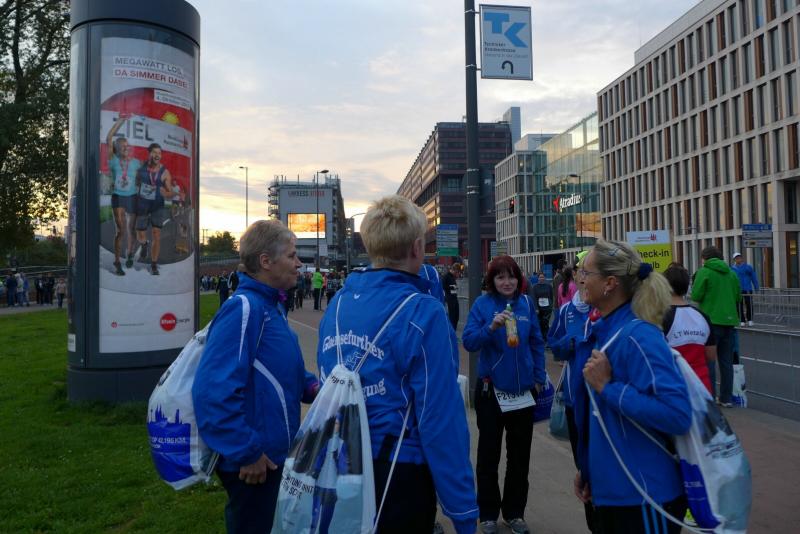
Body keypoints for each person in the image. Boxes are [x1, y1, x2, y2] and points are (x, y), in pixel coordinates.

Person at [316, 195, 478, 534]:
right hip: (399, 471)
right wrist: (462, 509)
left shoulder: (339, 303)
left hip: (341, 459)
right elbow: (439, 417)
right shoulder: (423, 311)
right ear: (417, 248)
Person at [193, 219, 319, 534]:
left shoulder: (270, 307)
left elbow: (278, 370)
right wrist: (246, 452)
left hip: (272, 457)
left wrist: (314, 387)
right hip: (254, 464)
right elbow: (212, 391)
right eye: (291, 255)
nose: (298, 263)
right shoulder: (244, 309)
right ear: (265, 261)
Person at [573, 240, 691, 533]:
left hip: (645, 497)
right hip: (612, 493)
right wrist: (589, 469)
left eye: (586, 272)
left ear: (610, 283)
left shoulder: (639, 335)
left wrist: (608, 387)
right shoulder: (606, 330)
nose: (580, 279)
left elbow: (677, 414)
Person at [463, 255, 546, 534]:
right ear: (492, 280)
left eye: (511, 276)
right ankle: (488, 514)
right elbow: (469, 341)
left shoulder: (526, 304)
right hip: (491, 393)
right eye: (500, 277)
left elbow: (536, 342)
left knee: (519, 457)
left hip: (523, 393)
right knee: (489, 455)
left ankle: (514, 513)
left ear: (519, 279)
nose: (507, 282)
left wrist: (538, 378)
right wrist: (491, 327)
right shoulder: (482, 305)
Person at [546, 255, 593, 532]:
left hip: (602, 404)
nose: (585, 277)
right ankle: (593, 523)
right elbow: (553, 344)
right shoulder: (566, 312)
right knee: (583, 468)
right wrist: (570, 343)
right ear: (574, 275)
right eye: (581, 272)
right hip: (576, 402)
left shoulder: (606, 310)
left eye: (590, 272)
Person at [691, 246, 741, 407]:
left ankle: (710, 397)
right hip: (730, 321)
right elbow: (738, 296)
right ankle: (726, 398)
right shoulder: (731, 273)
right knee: (726, 362)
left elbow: (696, 295)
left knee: (709, 361)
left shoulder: (704, 272)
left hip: (710, 321)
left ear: (705, 258)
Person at [663, 263, 717, 394]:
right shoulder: (703, 317)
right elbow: (711, 356)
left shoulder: (659, 317)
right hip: (702, 388)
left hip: (674, 388)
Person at [106, 113, 142, 275]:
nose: (126, 148)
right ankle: (117, 261)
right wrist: (120, 121)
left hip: (132, 197)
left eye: (127, 146)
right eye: (122, 147)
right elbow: (109, 137)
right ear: (117, 149)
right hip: (118, 197)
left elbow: (143, 177)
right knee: (121, 231)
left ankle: (130, 253)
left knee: (131, 229)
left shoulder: (136, 163)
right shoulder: (113, 160)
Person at [134, 143, 175, 276]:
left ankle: (154, 264)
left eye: (159, 153)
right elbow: (135, 184)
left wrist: (166, 193)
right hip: (143, 205)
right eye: (155, 152)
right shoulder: (141, 169)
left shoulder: (165, 172)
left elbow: (171, 192)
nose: (157, 155)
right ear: (149, 154)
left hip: (157, 206)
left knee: (156, 234)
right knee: (140, 234)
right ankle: (144, 243)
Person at [731, 252, 759, 326]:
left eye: (739, 257)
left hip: (747, 289)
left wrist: (756, 287)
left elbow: (753, 277)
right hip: (737, 290)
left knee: (749, 304)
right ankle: (741, 320)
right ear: (734, 259)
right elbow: (731, 279)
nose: (738, 259)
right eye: (736, 258)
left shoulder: (748, 267)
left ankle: (750, 320)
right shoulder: (732, 269)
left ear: (741, 258)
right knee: (739, 305)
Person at [529, 273, 554, 339]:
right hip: (539, 309)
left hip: (547, 308)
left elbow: (551, 296)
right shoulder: (535, 287)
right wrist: (536, 308)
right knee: (540, 323)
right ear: (538, 278)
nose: (541, 278)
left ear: (545, 278)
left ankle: (546, 337)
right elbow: (533, 298)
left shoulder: (549, 286)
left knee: (546, 322)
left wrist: (551, 305)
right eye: (540, 277)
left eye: (543, 277)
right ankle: (541, 337)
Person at [442, 264, 460, 331]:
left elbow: (452, 287)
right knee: (452, 317)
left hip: (454, 298)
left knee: (456, 316)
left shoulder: (453, 277)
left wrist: (455, 287)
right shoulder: (446, 276)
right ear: (454, 270)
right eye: (456, 272)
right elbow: (443, 287)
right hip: (450, 298)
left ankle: (454, 331)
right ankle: (452, 331)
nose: (457, 274)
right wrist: (451, 287)